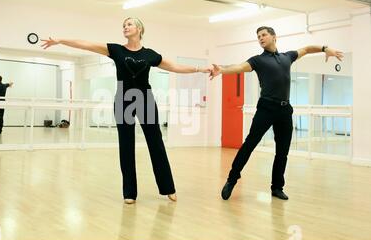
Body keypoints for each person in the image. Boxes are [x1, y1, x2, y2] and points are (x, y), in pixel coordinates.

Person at [41, 17, 213, 204]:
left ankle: (168, 188)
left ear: (139, 29)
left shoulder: (150, 54)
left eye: (129, 24)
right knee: (126, 145)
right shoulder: (116, 50)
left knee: (156, 144)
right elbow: (86, 44)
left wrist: (200, 69)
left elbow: (174, 66)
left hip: (145, 100)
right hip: (123, 100)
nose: (125, 27)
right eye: (124, 25)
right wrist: (60, 40)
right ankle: (129, 192)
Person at [210, 26, 343, 201]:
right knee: (249, 144)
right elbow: (240, 67)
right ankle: (232, 179)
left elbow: (307, 49)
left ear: (274, 37)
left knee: (282, 151)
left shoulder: (287, 57)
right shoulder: (258, 60)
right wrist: (223, 70)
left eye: (264, 35)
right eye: (258, 36)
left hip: (284, 110)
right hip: (266, 108)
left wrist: (326, 49)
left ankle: (277, 187)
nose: (261, 38)